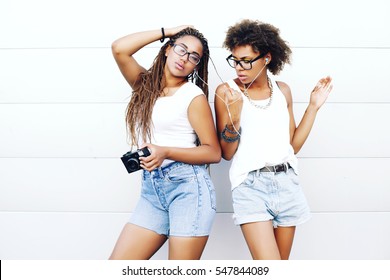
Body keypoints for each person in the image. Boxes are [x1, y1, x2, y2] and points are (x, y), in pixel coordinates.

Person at [214, 19, 333, 260]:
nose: (239, 67)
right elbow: (226, 153)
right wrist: (234, 119)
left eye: (246, 61)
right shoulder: (226, 92)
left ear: (267, 58)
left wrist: (313, 107)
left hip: (287, 182)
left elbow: (293, 146)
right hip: (251, 186)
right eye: (235, 60)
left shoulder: (282, 91)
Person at [109, 26, 221, 260]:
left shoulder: (193, 96)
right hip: (152, 191)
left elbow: (213, 152)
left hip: (188, 189)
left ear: (196, 66)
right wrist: (166, 31)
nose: (185, 58)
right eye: (181, 49)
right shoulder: (144, 85)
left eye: (193, 57)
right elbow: (119, 49)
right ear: (168, 49)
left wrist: (166, 151)